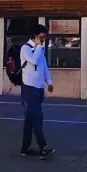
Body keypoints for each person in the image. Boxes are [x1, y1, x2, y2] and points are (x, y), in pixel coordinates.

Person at [19, 24, 55, 159]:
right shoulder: (25, 49)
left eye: (45, 38)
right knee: (37, 118)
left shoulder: (40, 49)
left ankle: (25, 148)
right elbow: (34, 61)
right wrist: (39, 46)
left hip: (38, 88)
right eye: (41, 37)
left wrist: (49, 82)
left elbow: (43, 66)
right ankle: (43, 148)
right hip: (29, 88)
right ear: (35, 36)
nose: (43, 40)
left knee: (29, 120)